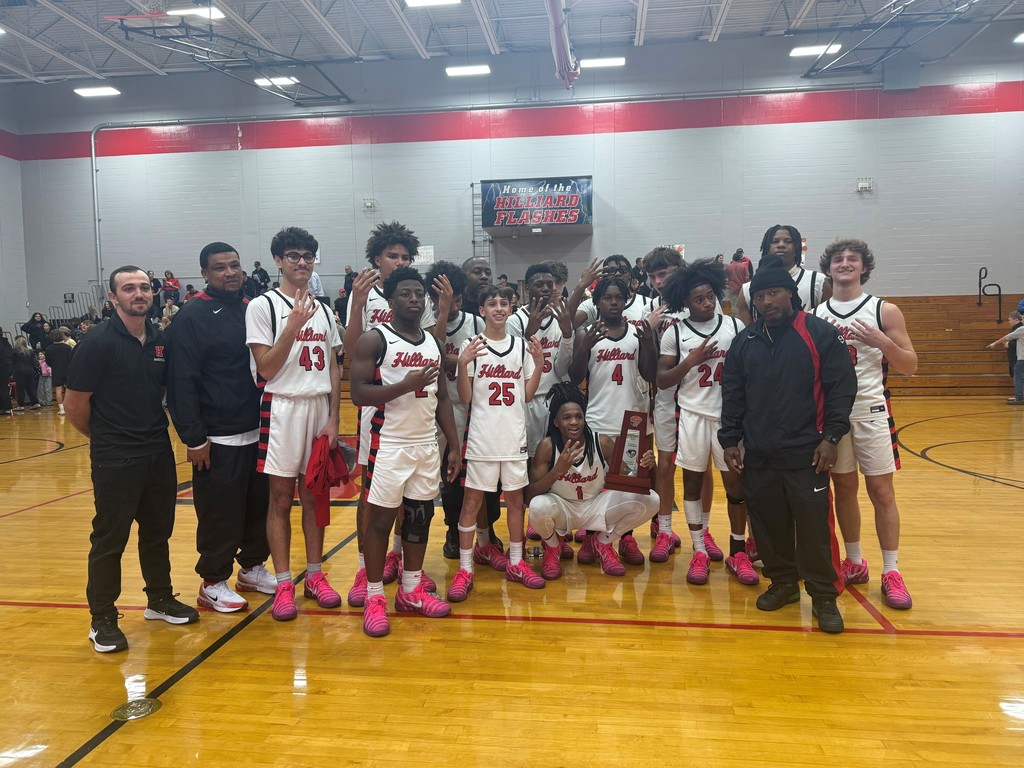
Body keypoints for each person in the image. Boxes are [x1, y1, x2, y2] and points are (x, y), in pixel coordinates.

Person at [719, 255, 857, 634]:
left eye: (774, 293)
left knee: (814, 526)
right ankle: (783, 583)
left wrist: (831, 438)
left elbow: (842, 389)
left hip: (807, 453)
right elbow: (733, 393)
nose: (766, 303)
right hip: (759, 452)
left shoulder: (820, 334)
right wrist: (729, 439)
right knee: (768, 523)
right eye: (760, 296)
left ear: (792, 294)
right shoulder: (744, 342)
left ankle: (824, 596)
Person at [65, 265, 199, 653]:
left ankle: (159, 599)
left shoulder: (160, 339)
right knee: (110, 540)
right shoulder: (97, 344)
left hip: (158, 452)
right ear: (113, 297)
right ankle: (102, 619)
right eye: (128, 289)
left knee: (157, 533)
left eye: (143, 287)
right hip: (115, 458)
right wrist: (108, 437)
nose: (138, 294)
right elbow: (74, 407)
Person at [349, 267, 461, 636]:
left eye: (419, 294)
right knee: (380, 522)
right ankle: (375, 596)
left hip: (425, 445)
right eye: (406, 294)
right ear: (391, 299)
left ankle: (411, 591)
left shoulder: (432, 341)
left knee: (418, 519)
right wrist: (404, 385)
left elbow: (442, 396)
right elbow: (359, 394)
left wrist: (454, 444)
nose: (414, 299)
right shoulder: (374, 339)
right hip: (389, 444)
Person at [168, 242, 275, 615]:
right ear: (205, 274)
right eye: (219, 268)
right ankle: (212, 581)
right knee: (220, 512)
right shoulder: (191, 317)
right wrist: (194, 438)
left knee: (257, 505)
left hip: (257, 430)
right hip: (217, 435)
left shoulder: (252, 309)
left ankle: (251, 568)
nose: (229, 273)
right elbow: (182, 381)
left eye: (234, 265)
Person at [245, 226, 343, 622]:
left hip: (319, 408)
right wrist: (291, 326)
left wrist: (335, 417)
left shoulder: (323, 309)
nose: (301, 262)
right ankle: (284, 581)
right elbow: (265, 369)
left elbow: (335, 366)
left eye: (308, 255)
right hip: (282, 408)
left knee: (316, 497)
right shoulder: (262, 306)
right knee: (281, 499)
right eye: (293, 255)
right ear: (278, 261)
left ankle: (315, 576)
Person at [816, 238, 918, 610]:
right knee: (843, 488)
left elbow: (910, 366)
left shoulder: (884, 310)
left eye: (852, 259)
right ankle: (855, 561)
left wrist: (880, 341)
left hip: (872, 410)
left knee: (882, 492)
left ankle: (892, 570)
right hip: (833, 416)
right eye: (838, 259)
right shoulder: (816, 314)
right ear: (828, 268)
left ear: (863, 267)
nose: (845, 263)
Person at [344, 221, 440, 608]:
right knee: (373, 498)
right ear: (376, 259)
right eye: (392, 256)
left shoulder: (416, 295)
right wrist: (355, 303)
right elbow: (352, 354)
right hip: (380, 416)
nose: (398, 261)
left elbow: (430, 348)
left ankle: (402, 566)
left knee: (414, 499)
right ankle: (364, 568)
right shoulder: (365, 295)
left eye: (404, 256)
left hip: (416, 416)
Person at [657, 260, 755, 585]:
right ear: (685, 301)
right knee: (693, 485)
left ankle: (738, 552)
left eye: (710, 296)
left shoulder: (735, 326)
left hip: (729, 421)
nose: (707, 303)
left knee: (736, 487)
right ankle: (699, 550)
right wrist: (690, 361)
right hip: (693, 417)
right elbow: (662, 379)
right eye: (699, 299)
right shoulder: (675, 331)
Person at [447, 284, 545, 602]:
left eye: (504, 303)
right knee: (472, 503)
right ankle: (465, 569)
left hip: (513, 437)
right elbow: (464, 397)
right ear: (482, 310)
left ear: (511, 308)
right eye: (492, 303)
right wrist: (462, 364)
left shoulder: (520, 347)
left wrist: (540, 366)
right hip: (482, 439)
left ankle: (516, 563)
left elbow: (527, 396)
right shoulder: (473, 345)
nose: (499, 308)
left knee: (516, 502)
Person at [527, 383, 659, 580]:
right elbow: (529, 495)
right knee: (537, 507)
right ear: (555, 422)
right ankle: (553, 548)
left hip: (595, 507)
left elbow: (629, 478)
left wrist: (646, 464)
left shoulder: (602, 442)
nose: (574, 422)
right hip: (563, 509)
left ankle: (604, 542)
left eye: (578, 417)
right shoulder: (547, 447)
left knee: (651, 500)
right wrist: (557, 471)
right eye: (567, 417)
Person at [569, 276, 658, 566]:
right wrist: (584, 346)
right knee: (599, 484)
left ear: (626, 300)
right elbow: (575, 377)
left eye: (618, 297)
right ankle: (595, 536)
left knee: (629, 485)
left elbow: (649, 373)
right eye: (607, 297)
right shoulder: (587, 333)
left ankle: (625, 538)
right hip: (597, 419)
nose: (614, 302)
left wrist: (648, 343)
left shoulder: (636, 333)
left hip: (631, 419)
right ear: (597, 302)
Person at [424, 261, 491, 559]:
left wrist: (458, 363)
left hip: (471, 413)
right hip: (438, 414)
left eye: (457, 300)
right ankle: (453, 531)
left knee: (482, 480)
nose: (453, 307)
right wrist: (441, 310)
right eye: (446, 300)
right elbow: (434, 352)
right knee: (449, 482)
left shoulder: (476, 324)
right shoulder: (426, 325)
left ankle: (486, 535)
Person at [641, 246, 689, 562]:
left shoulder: (699, 302)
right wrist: (648, 329)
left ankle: (704, 531)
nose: (659, 281)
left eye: (665, 274)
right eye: (654, 276)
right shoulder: (649, 309)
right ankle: (663, 527)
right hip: (664, 396)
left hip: (700, 396)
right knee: (666, 464)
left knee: (699, 469)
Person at [734, 225, 831, 326]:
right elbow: (747, 334)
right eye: (775, 241)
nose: (781, 245)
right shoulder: (747, 289)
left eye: (788, 241)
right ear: (767, 248)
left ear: (797, 248)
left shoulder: (818, 282)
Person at [572, 255, 650, 330]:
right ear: (604, 275)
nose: (618, 273)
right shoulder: (595, 304)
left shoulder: (646, 303)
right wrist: (581, 286)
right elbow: (570, 324)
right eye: (611, 270)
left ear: (630, 274)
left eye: (622, 269)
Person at [987, 315, 1024, 405]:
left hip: (1022, 359)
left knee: (1018, 376)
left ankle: (1019, 398)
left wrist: (994, 343)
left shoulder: (1021, 329)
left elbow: (1006, 337)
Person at [44, 329, 73, 416]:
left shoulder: (49, 348)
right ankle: (70, 408)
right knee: (69, 389)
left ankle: (62, 409)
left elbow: (48, 361)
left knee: (58, 390)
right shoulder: (67, 347)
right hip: (68, 370)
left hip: (56, 370)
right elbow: (71, 359)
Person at [11, 337, 41, 410]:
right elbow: (34, 362)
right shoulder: (30, 351)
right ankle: (35, 402)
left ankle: (20, 405)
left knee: (20, 388)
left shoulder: (14, 352)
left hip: (19, 371)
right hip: (30, 370)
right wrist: (37, 370)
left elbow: (12, 362)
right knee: (30, 387)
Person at [1004, 312, 1022, 378]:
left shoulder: (1020, 329)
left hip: (1017, 358)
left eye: (1010, 320)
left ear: (1016, 320)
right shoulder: (1015, 329)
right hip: (1014, 357)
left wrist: (1009, 343)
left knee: (1019, 379)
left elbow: (1020, 342)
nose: (1009, 322)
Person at [0, 330, 13, 415]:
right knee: (4, 387)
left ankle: (4, 407)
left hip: (2, 367)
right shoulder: (6, 343)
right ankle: (7, 407)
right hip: (8, 367)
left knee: (2, 388)